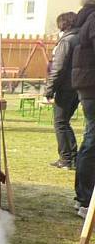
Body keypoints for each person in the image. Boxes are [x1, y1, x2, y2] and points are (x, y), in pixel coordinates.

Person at [45, 12, 80, 170]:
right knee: (65, 122)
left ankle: (66, 159)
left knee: (60, 123)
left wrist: (49, 90)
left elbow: (58, 68)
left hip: (66, 87)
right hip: (78, 85)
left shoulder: (66, 41)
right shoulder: (81, 38)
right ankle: (72, 157)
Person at [71, 0, 95, 217]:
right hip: (91, 85)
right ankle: (85, 199)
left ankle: (85, 198)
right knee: (92, 141)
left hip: (88, 84)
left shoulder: (88, 17)